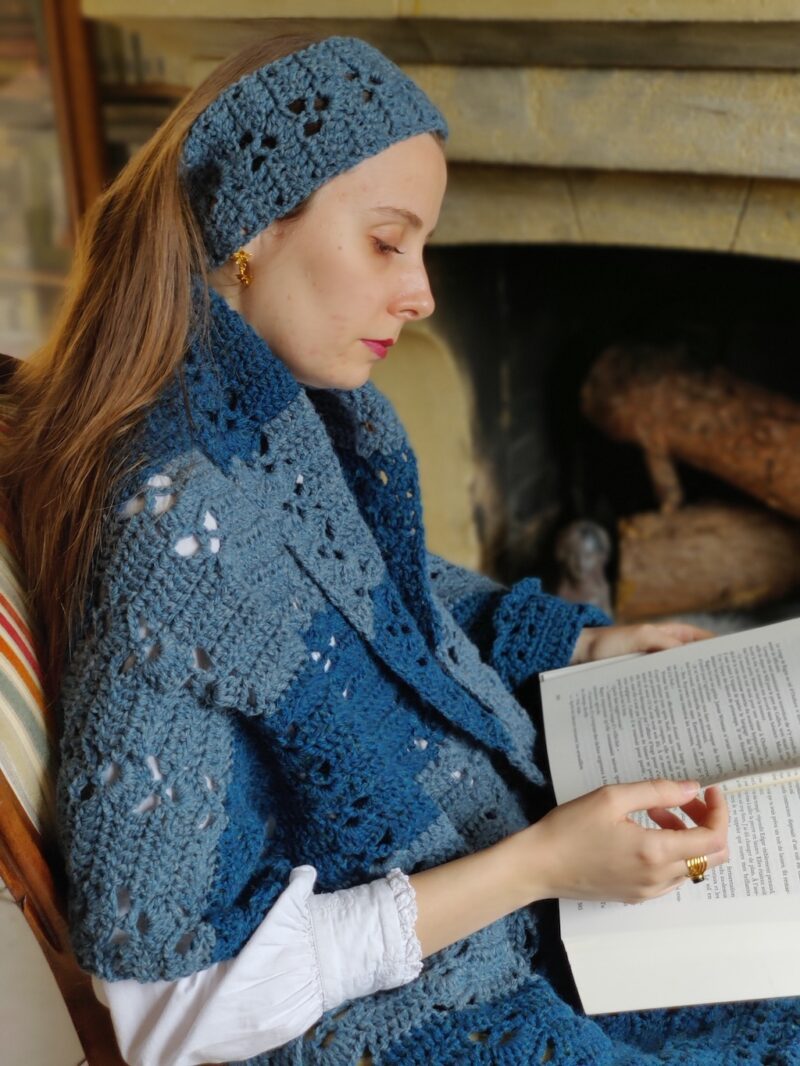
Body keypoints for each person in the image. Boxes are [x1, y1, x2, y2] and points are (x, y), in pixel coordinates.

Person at [4, 32, 797, 1066]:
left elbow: (373, 603)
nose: (420, 293)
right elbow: (170, 1013)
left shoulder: (282, 422)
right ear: (247, 227)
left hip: (499, 916)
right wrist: (541, 863)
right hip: (410, 1016)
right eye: (388, 241)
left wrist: (578, 646)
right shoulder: (179, 524)